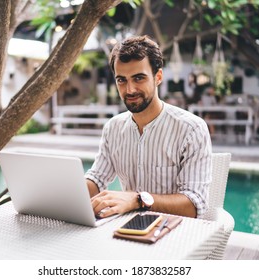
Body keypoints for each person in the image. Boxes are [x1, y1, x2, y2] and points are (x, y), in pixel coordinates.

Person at [85, 35, 212, 219]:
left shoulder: (191, 129)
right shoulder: (113, 128)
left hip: (174, 233)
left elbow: (194, 205)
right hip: (126, 230)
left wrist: (137, 200)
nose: (130, 90)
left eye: (139, 78)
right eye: (122, 80)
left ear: (158, 77)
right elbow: (97, 179)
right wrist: (67, 193)